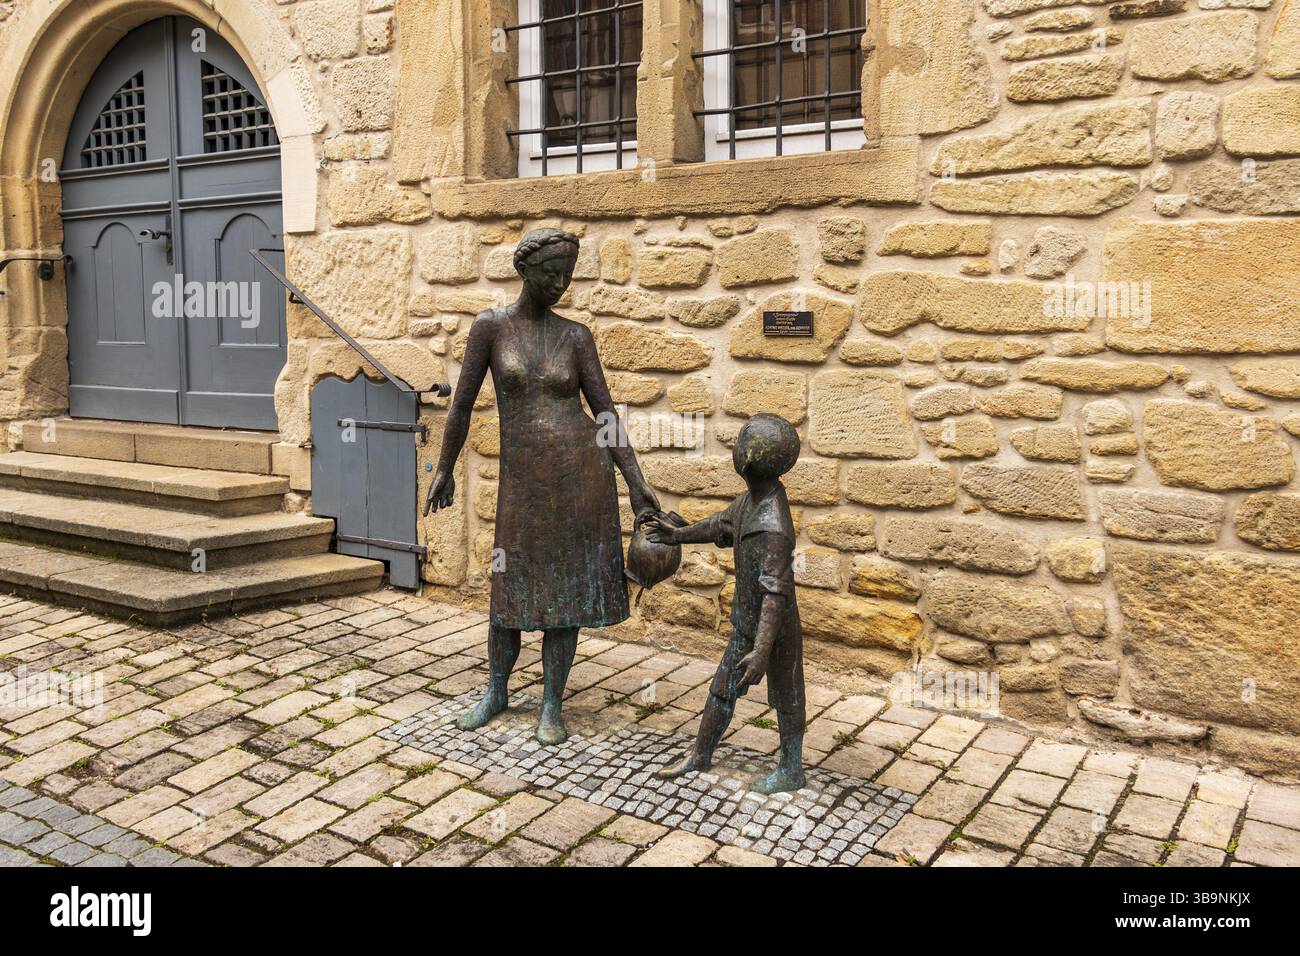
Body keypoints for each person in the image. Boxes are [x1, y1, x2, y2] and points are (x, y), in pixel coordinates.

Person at [425, 228, 659, 745]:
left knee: (566, 594)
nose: (560, 283)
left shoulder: (576, 337)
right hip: (522, 480)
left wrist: (636, 481)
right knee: (508, 587)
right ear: (524, 271)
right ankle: (496, 689)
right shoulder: (491, 328)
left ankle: (552, 702)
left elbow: (604, 412)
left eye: (567, 275)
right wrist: (444, 466)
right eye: (551, 273)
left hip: (580, 478)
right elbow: (462, 404)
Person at [640, 413, 806, 794]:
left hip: (773, 629)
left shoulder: (773, 526)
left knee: (788, 694)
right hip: (749, 623)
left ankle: (791, 768)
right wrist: (678, 535)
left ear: (745, 461)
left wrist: (762, 650)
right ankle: (701, 754)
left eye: (737, 443)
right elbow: (719, 526)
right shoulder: (752, 501)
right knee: (723, 689)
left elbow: (775, 593)